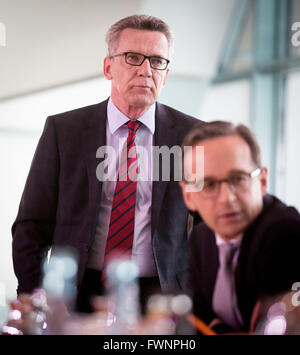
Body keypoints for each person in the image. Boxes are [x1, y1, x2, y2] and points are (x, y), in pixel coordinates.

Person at [12, 15, 200, 312]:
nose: (145, 70)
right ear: (108, 67)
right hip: (78, 290)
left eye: (157, 61)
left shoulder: (193, 136)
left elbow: (210, 228)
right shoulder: (65, 131)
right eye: (133, 57)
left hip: (161, 294)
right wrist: (33, 296)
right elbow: (31, 226)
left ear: (166, 74)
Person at [180, 121, 300, 333]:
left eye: (238, 179)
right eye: (208, 184)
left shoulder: (285, 233)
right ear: (188, 196)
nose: (227, 198)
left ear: (262, 181)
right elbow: (199, 320)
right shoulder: (200, 238)